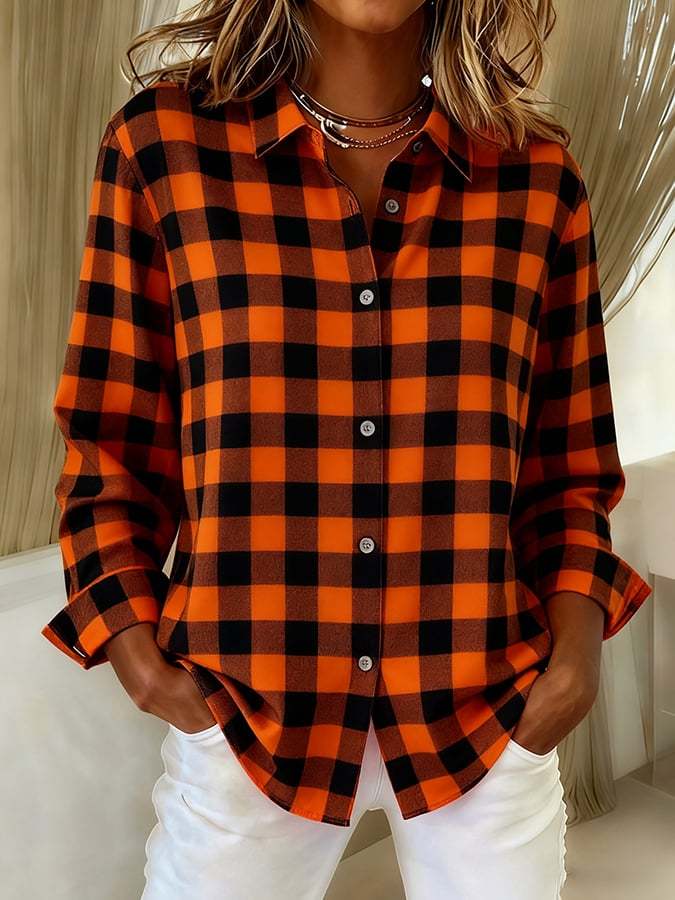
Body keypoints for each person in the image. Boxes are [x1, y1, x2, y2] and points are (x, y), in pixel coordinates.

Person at [41, 1, 652, 897]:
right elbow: (113, 446)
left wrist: (575, 665)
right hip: (246, 716)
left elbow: (566, 469)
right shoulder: (163, 149)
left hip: (486, 713)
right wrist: (137, 654)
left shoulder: (533, 178)